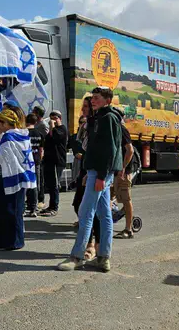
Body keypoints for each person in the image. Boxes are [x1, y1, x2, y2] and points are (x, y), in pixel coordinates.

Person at [57, 86, 121, 272]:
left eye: (97, 97)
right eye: (92, 97)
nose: (93, 100)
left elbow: (109, 150)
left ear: (107, 100)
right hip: (97, 172)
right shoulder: (100, 117)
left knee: (86, 213)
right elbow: (96, 149)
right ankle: (103, 258)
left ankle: (76, 257)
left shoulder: (107, 118)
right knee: (104, 215)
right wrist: (89, 172)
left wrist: (100, 175)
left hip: (100, 172)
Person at [0, 109, 35, 251]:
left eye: (2, 121)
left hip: (8, 177)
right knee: (16, 210)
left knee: (4, 211)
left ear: (9, 123)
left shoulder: (8, 136)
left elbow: (1, 155)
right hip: (22, 175)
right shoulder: (23, 134)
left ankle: (4, 242)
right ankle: (17, 240)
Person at [114, 115, 140, 239]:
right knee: (108, 197)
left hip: (123, 172)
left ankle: (128, 229)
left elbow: (130, 151)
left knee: (125, 199)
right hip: (113, 171)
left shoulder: (121, 130)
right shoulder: (112, 130)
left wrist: (123, 167)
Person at [39, 110, 68, 217]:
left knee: (55, 185)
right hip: (49, 160)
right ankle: (50, 206)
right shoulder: (52, 130)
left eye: (55, 118)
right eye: (51, 118)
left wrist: (52, 126)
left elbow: (55, 137)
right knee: (51, 185)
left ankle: (54, 207)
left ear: (59, 118)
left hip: (57, 160)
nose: (53, 120)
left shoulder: (62, 129)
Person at [24, 113, 44, 217]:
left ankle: (23, 208)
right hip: (36, 161)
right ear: (36, 122)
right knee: (34, 185)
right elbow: (41, 150)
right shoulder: (39, 133)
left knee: (23, 184)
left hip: (25, 161)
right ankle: (33, 208)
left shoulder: (24, 133)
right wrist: (39, 160)